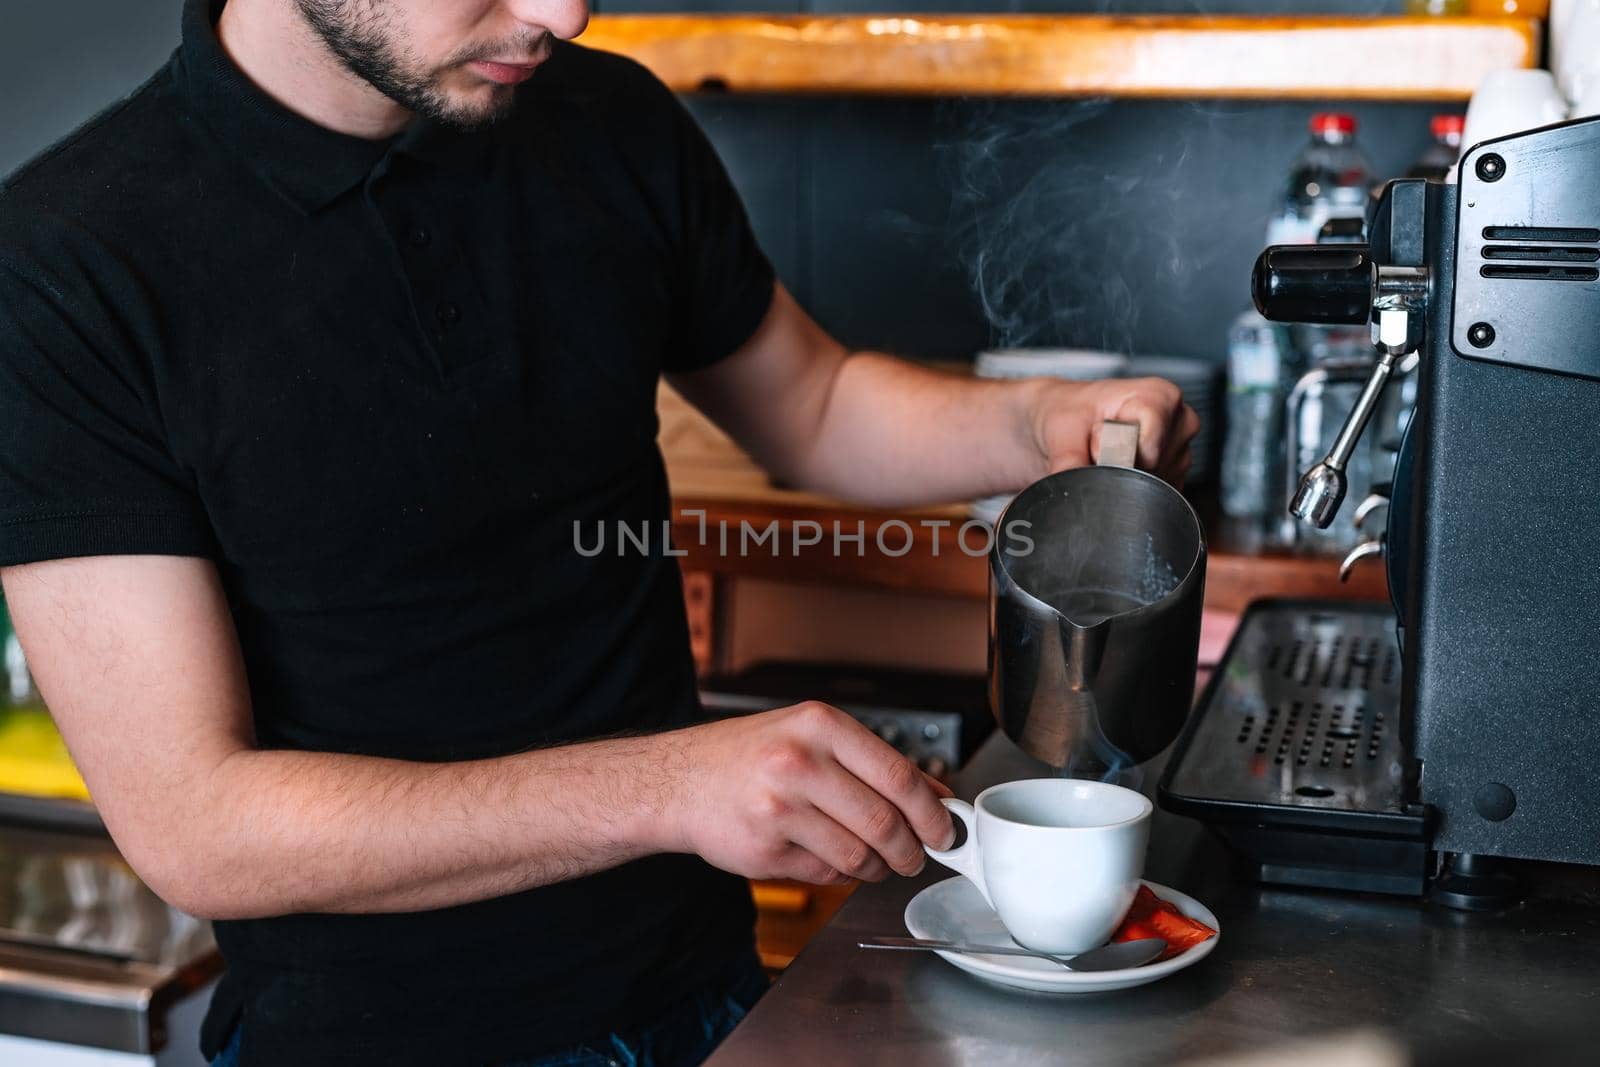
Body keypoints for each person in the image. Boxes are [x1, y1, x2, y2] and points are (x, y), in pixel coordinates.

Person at [0, 1, 1198, 1064]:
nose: (563, 14)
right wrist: (664, 789)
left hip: (713, 997)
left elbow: (815, 407)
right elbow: (196, 825)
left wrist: (1037, 417)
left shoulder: (605, 121)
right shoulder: (62, 267)